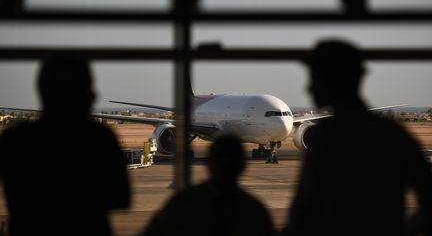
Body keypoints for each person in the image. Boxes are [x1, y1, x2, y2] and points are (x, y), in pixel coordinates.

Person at [280, 39, 432, 236]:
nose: (308, 89)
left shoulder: (325, 136)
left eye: (315, 78)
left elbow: (303, 211)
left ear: (334, 80)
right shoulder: (394, 133)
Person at [0, 56, 130, 236]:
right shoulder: (99, 138)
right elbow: (122, 198)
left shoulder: (14, 139)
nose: (94, 95)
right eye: (88, 87)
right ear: (83, 94)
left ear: (42, 91)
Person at [139, 134, 274, 236]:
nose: (225, 164)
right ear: (243, 165)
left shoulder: (184, 202)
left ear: (208, 163)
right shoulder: (255, 210)